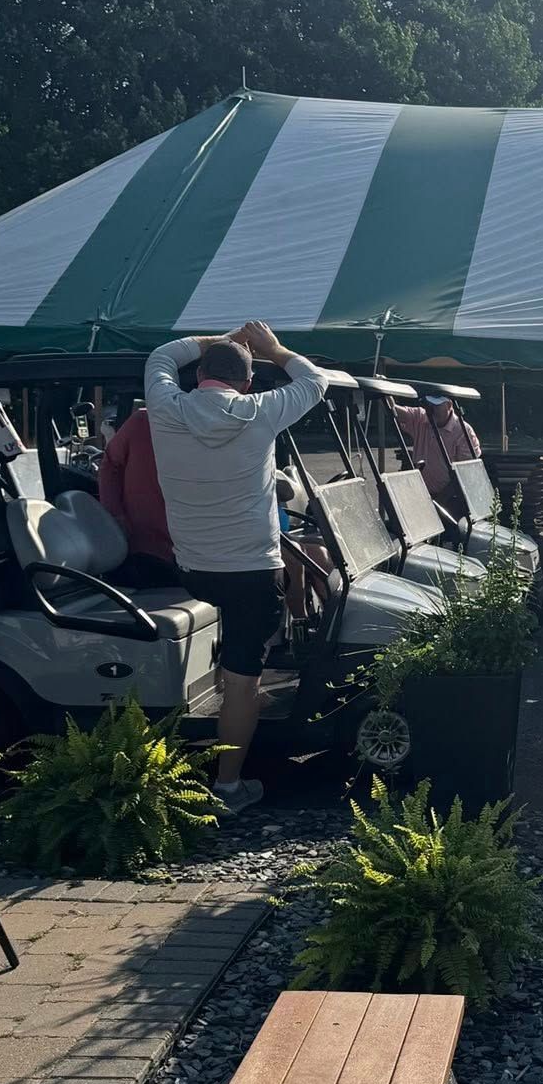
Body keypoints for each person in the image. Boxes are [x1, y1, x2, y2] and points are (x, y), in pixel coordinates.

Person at [145, 322, 329, 814]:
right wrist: (275, 348)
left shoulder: (165, 406)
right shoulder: (261, 411)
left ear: (198, 374)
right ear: (247, 383)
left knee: (239, 649)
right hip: (251, 572)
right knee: (245, 678)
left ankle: (232, 700)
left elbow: (162, 355)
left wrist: (219, 339)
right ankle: (228, 785)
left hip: (192, 568)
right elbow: (315, 380)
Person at [97, 407, 178, 583]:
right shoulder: (143, 421)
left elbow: (110, 465)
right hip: (149, 549)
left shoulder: (144, 420)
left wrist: (115, 518)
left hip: (180, 553)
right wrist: (115, 517)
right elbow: (110, 465)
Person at [393, 392, 483, 516]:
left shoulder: (464, 431)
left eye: (436, 406)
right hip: (419, 495)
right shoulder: (421, 417)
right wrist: (387, 395)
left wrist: (438, 502)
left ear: (449, 405)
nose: (431, 410)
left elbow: (465, 474)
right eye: (429, 405)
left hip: (451, 500)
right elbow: (394, 410)